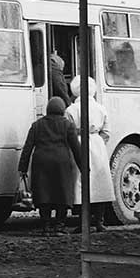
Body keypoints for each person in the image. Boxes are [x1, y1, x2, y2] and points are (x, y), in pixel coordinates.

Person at [18, 97, 82, 236]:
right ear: (62, 110)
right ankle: (59, 226)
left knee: (43, 192)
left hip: (41, 162)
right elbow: (76, 149)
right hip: (61, 162)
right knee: (62, 192)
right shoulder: (68, 125)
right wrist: (84, 166)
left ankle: (46, 226)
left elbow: (28, 147)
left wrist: (22, 167)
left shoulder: (37, 125)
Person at [66, 75, 115, 232]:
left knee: (80, 183)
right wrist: (98, 141)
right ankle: (99, 222)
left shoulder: (71, 110)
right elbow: (106, 132)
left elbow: (68, 131)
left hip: (78, 143)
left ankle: (83, 222)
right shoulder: (101, 108)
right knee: (99, 183)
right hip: (97, 143)